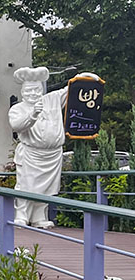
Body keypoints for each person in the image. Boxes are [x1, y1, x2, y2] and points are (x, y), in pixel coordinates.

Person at [9, 67, 102, 228]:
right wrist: (32, 115)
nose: (33, 93)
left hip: (52, 154)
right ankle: (21, 215)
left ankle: (39, 216)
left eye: (36, 89)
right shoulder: (17, 109)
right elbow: (16, 125)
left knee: (47, 188)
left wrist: (83, 78)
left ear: (41, 89)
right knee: (26, 186)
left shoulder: (51, 99)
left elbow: (69, 91)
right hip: (31, 154)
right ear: (22, 92)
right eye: (29, 90)